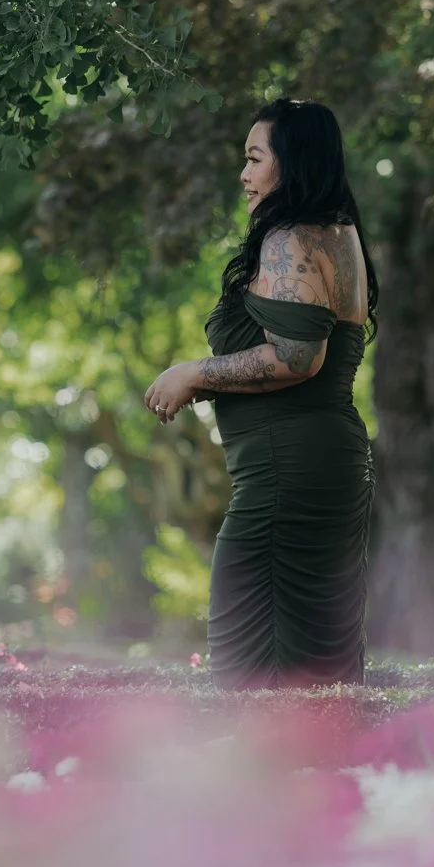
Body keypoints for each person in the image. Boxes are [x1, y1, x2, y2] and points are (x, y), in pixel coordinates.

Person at [143, 98, 378, 689]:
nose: (244, 176)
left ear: (291, 162)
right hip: (327, 461)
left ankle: (261, 777)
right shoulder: (339, 233)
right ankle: (325, 776)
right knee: (317, 668)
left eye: (254, 159)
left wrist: (195, 370)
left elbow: (298, 357)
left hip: (285, 476)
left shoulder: (289, 239)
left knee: (250, 663)